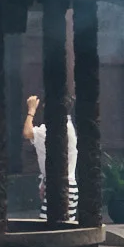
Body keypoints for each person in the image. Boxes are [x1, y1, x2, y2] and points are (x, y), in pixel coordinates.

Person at [23, 93, 78, 221]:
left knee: (47, 231)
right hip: (66, 187)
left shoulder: (56, 129)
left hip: (62, 188)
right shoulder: (65, 126)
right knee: (61, 229)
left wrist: (31, 111)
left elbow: (27, 132)